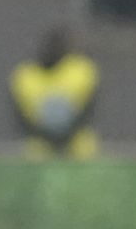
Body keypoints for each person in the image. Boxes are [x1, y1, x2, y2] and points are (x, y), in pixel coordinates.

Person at [10, 28, 99, 159]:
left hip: (78, 148)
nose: (52, 50)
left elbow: (87, 110)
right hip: (39, 149)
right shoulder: (25, 76)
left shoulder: (81, 71)